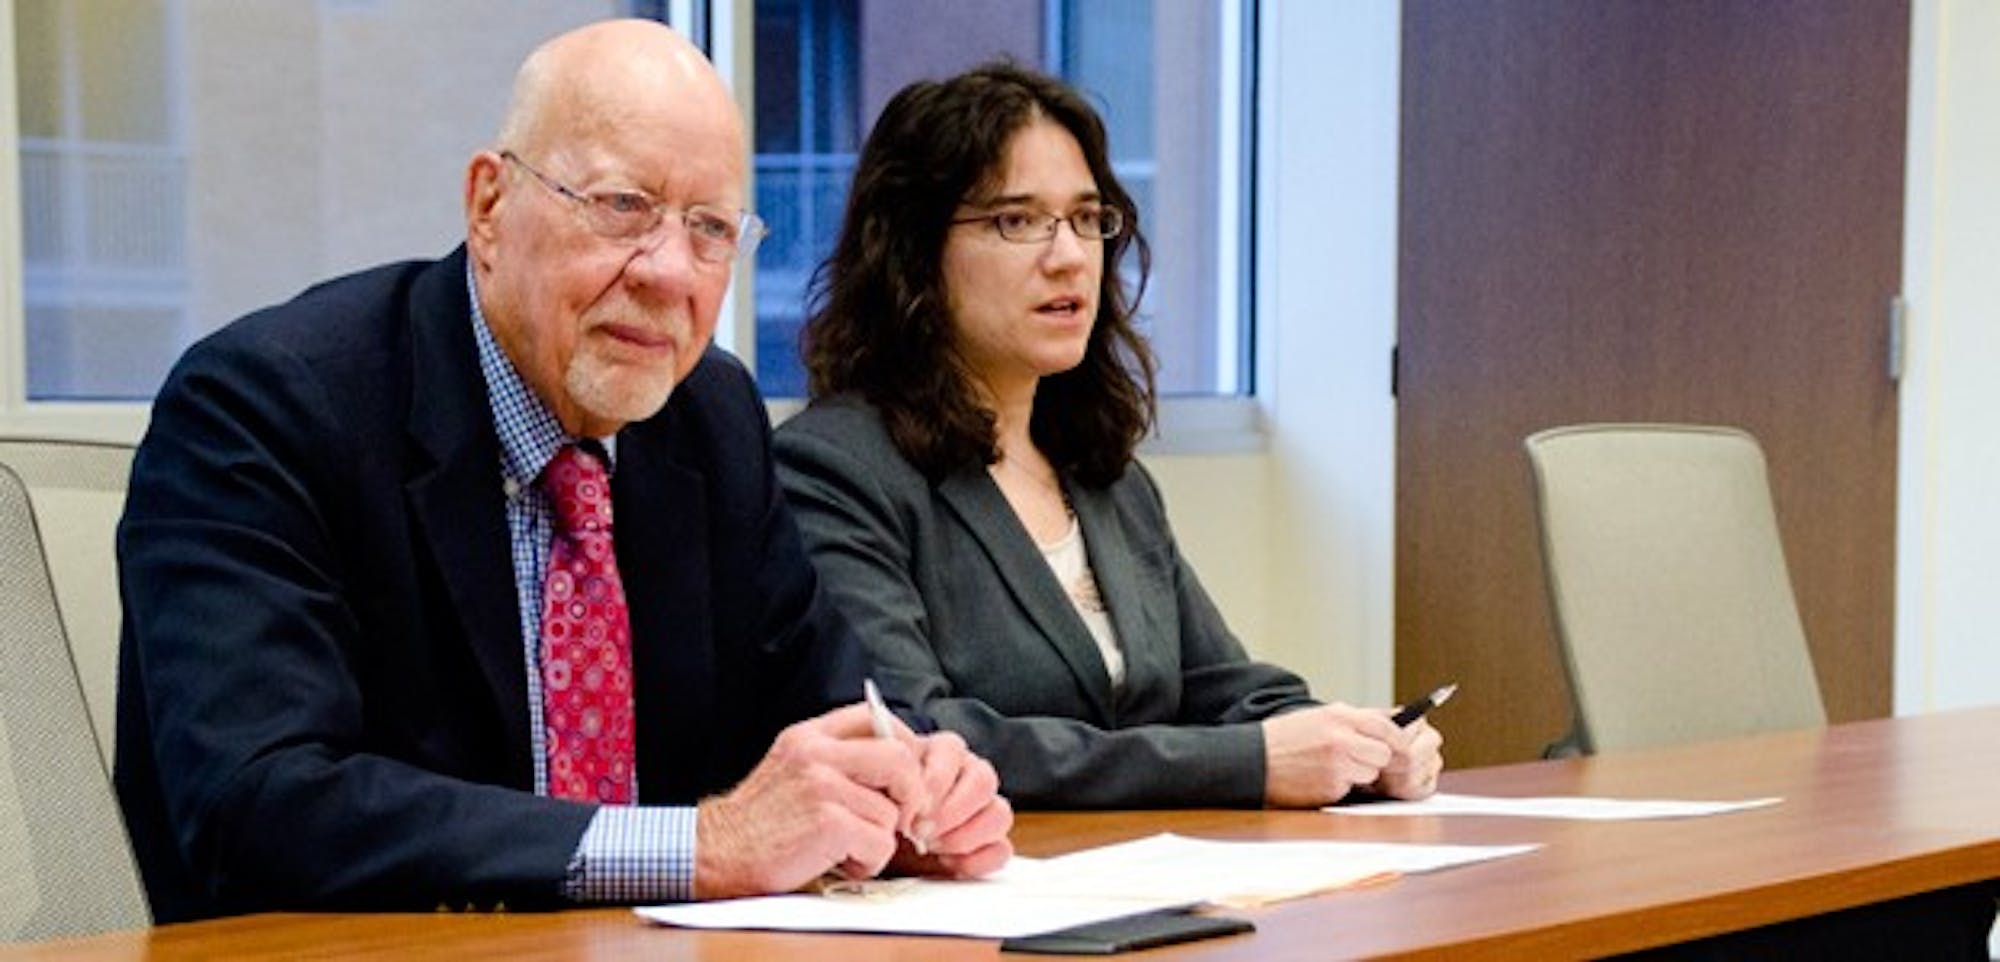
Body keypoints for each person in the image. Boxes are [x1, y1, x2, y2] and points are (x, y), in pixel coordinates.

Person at [114, 20, 1010, 924]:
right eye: (623, 206)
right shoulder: (270, 405)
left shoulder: (709, 417)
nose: (669, 272)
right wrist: (703, 847)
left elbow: (824, 699)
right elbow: (258, 801)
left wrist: (910, 782)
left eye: (709, 229)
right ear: (489, 207)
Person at [773, 62, 1445, 809]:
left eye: (1087, 218)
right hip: (983, 874)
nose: (1069, 256)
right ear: (912, 251)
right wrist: (1246, 764)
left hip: (1145, 864)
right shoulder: (835, 468)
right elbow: (913, 735)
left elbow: (1222, 689)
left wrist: (1355, 741)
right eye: (1016, 221)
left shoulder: (1102, 473)